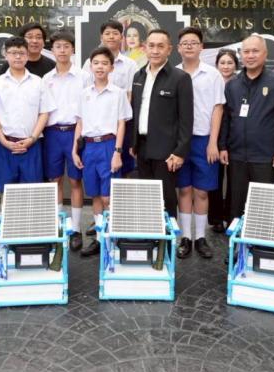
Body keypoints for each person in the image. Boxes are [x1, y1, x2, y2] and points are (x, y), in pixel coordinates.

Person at [219, 34, 274, 235]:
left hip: (266, 157)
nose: (250, 55)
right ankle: (236, 245)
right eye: (246, 51)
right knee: (236, 203)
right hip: (237, 156)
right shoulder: (233, 84)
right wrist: (223, 146)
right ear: (241, 54)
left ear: (265, 54)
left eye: (255, 51)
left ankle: (259, 244)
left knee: (263, 204)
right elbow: (226, 118)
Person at [130, 29, 194, 227]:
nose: (155, 50)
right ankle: (151, 235)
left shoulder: (180, 78)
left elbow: (186, 119)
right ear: (144, 48)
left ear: (169, 49)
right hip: (142, 148)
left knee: (166, 198)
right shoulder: (138, 76)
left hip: (167, 151)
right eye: (151, 46)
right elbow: (136, 111)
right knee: (147, 197)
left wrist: (180, 152)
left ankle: (168, 240)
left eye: (160, 46)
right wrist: (133, 144)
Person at [73, 46, 132, 257]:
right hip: (89, 147)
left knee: (109, 197)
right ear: (90, 67)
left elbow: (121, 124)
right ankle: (99, 239)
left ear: (111, 68)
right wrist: (75, 150)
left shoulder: (118, 94)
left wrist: (117, 152)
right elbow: (79, 123)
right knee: (96, 195)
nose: (100, 67)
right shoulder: (83, 94)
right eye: (96, 63)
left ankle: (112, 237)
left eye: (104, 63)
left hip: (109, 146)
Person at [175, 27, 225, 260]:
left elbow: (218, 108)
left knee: (202, 191)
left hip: (204, 139)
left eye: (193, 42)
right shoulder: (172, 73)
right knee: (184, 189)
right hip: (180, 141)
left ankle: (200, 237)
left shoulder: (212, 74)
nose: (189, 46)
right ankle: (185, 237)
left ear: (201, 47)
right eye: (185, 42)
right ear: (178, 48)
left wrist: (213, 142)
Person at [0, 36, 56, 192]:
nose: (17, 57)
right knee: (6, 190)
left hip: (32, 145)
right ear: (6, 55)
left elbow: (44, 113)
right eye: (13, 53)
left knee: (31, 192)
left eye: (21, 53)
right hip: (5, 145)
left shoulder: (38, 82)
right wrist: (4, 141)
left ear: (27, 55)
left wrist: (32, 138)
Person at [42, 31, 86, 251]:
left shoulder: (83, 76)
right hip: (52, 134)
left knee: (76, 181)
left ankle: (76, 230)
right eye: (58, 46)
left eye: (66, 46)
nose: (62, 50)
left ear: (73, 49)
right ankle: (58, 228)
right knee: (55, 180)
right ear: (52, 50)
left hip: (75, 132)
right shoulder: (46, 79)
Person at [208, 49, 239, 233]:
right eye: (222, 63)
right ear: (217, 65)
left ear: (236, 65)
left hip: (234, 137)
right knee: (215, 179)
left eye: (230, 63)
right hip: (214, 136)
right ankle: (216, 218)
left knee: (234, 181)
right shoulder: (212, 81)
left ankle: (231, 217)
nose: (226, 66)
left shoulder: (239, 83)